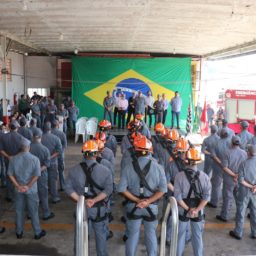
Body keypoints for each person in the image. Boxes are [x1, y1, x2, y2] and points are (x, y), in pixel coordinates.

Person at [118, 135, 167, 256]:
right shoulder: (159, 168)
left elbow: (122, 189)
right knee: (151, 235)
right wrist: (148, 202)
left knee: (132, 235)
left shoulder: (128, 167)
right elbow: (163, 190)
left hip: (134, 206)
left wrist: (137, 200)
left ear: (136, 151)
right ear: (150, 151)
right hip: (151, 207)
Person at [65, 140, 113, 256]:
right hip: (98, 209)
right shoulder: (105, 171)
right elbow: (108, 190)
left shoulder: (74, 170)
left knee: (80, 236)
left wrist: (81, 201)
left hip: (82, 209)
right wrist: (94, 200)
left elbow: (68, 189)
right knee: (101, 236)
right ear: (96, 154)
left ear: (84, 153)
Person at [174, 148, 211, 256]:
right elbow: (206, 198)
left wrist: (188, 209)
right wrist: (196, 210)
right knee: (197, 236)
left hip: (183, 210)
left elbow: (178, 197)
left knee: (180, 236)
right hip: (198, 211)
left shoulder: (179, 176)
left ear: (186, 160)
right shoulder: (205, 177)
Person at [7, 137, 46, 239]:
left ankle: (19, 232)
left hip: (18, 190)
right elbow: (36, 175)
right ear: (29, 147)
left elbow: (10, 174)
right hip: (31, 190)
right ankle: (37, 232)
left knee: (19, 211)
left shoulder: (13, 159)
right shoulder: (35, 159)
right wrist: (28, 186)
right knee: (33, 211)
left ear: (20, 148)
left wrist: (18, 186)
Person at [216, 136, 247, 222]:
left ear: (231, 142)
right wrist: (238, 175)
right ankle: (238, 216)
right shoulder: (244, 153)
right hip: (240, 179)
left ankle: (224, 216)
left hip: (229, 179)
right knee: (239, 199)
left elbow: (224, 167)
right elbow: (245, 166)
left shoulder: (227, 152)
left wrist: (233, 175)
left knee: (227, 197)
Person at [229, 144, 256, 240]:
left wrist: (250, 186)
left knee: (241, 211)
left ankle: (238, 232)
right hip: (255, 193)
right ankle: (254, 232)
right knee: (254, 211)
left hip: (244, 192)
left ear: (248, 152)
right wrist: (254, 187)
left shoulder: (243, 163)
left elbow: (241, 180)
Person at [30, 129, 55, 220]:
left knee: (32, 195)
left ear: (33, 137)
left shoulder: (27, 148)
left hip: (29, 175)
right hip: (41, 175)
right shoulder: (45, 149)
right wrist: (38, 171)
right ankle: (46, 213)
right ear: (41, 137)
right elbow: (47, 165)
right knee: (43, 194)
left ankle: (30, 214)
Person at [0, 120, 24, 202]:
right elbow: (24, 150)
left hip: (8, 160)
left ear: (9, 127)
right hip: (18, 160)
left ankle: (9, 195)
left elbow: (1, 150)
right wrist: (16, 156)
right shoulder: (21, 138)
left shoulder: (3, 137)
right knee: (19, 177)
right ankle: (19, 194)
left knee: (9, 177)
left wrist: (8, 156)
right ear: (17, 127)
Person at [208, 128, 231, 208]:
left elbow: (213, 156)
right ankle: (227, 205)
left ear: (220, 134)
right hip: (229, 169)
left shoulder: (215, 143)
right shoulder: (231, 143)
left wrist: (221, 164)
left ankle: (214, 202)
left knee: (216, 185)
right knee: (228, 187)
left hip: (218, 168)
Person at [41, 122, 62, 203]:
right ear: (50, 129)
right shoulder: (56, 138)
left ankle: (43, 198)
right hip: (53, 162)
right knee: (53, 180)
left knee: (42, 182)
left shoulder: (40, 138)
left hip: (42, 164)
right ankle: (54, 197)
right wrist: (50, 157)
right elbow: (59, 151)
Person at [51, 120, 67, 191]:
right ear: (58, 125)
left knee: (52, 172)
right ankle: (62, 186)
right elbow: (65, 145)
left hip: (51, 155)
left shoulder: (49, 133)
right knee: (61, 171)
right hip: (60, 155)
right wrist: (60, 151)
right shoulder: (62, 134)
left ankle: (52, 187)